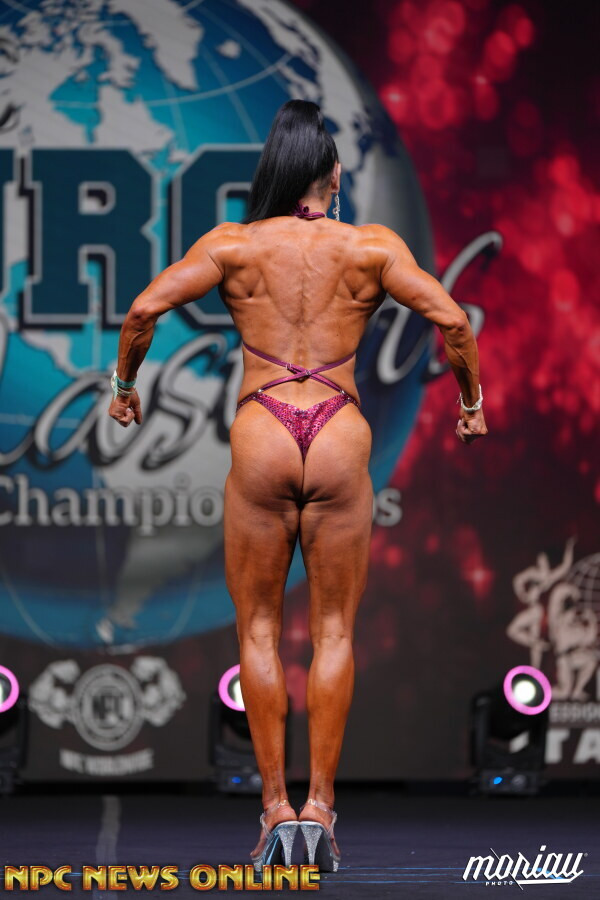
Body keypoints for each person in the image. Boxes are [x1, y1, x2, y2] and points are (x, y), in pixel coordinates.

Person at [108, 99, 487, 872]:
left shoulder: (235, 244)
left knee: (257, 633)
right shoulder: (371, 246)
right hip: (339, 430)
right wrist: (471, 402)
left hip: (264, 431)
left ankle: (275, 811)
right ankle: (320, 810)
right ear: (333, 176)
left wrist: (124, 386)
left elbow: (144, 308)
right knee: (335, 633)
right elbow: (453, 321)